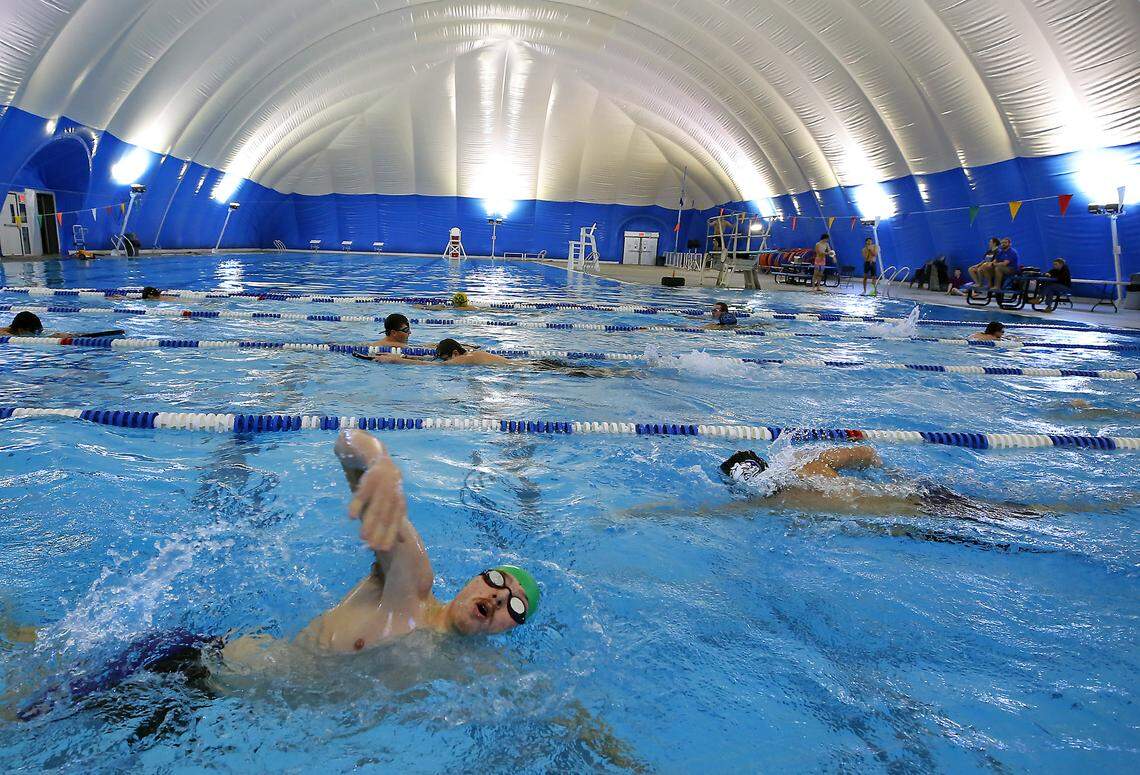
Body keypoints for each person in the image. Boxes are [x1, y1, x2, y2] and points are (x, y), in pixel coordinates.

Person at [12, 431, 541, 718]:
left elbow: (560, 715)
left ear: (508, 631)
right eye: (498, 583)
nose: (499, 601)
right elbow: (348, 443)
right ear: (475, 578)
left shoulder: (471, 675)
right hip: (189, 668)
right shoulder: (409, 585)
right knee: (22, 713)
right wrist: (379, 463)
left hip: (214, 711)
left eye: (514, 607)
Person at [718, 447, 1048, 521]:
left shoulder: (772, 500)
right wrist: (893, 476)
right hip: (917, 495)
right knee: (1030, 514)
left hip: (916, 510)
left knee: (1026, 518)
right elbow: (867, 453)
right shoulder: (804, 460)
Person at [360, 338, 628, 378]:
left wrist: (398, 360)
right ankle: (624, 372)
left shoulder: (469, 357)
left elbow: (434, 368)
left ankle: (629, 373)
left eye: (445, 359)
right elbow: (432, 363)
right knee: (589, 371)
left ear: (454, 354)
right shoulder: (469, 356)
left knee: (592, 374)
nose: (445, 364)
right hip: (537, 367)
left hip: (539, 368)